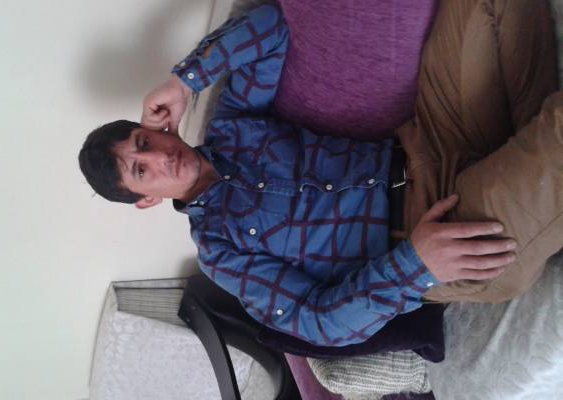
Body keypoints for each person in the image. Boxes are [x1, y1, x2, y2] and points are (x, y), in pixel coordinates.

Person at [78, 1, 563, 346]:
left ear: (155, 127)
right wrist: (416, 265)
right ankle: (535, 164)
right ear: (147, 199)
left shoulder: (233, 126)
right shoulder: (220, 250)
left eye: (145, 143)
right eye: (142, 171)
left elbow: (275, 27)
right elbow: (318, 323)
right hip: (439, 234)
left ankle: (530, 159)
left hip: (431, 137)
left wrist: (186, 80)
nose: (161, 159)